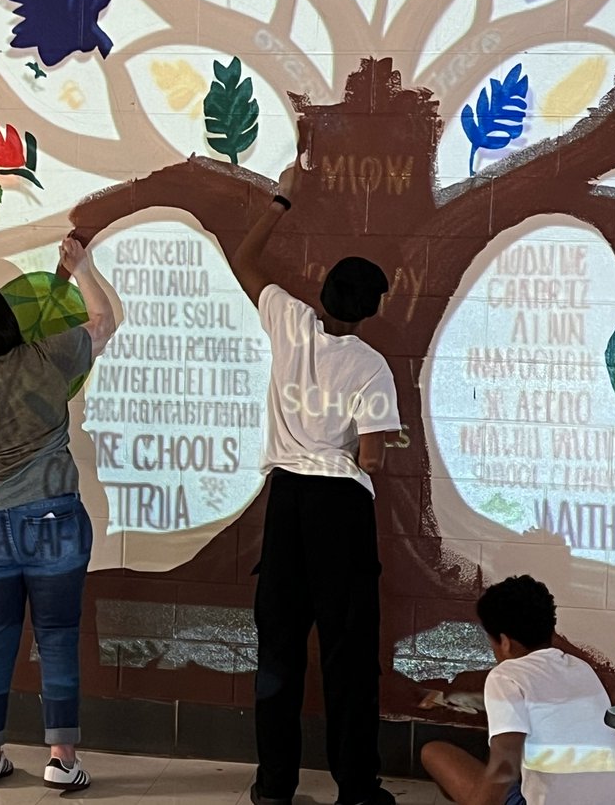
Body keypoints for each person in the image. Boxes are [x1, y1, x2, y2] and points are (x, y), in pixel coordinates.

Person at [233, 158, 403, 805]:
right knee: (347, 654)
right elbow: (373, 459)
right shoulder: (371, 366)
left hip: (286, 504)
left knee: (278, 647)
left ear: (323, 291)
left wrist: (281, 199)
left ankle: (273, 785)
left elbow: (245, 259)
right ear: (369, 312)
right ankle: (355, 788)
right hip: (340, 508)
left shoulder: (286, 319)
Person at [0, 237, 117, 791]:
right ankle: (62, 759)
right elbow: (102, 323)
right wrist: (81, 268)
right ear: (6, 320)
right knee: (56, 636)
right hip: (53, 520)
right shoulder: (47, 355)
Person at [420, 575, 615, 805]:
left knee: (434, 753)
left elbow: (504, 769)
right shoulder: (580, 667)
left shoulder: (505, 676)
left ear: (504, 642)